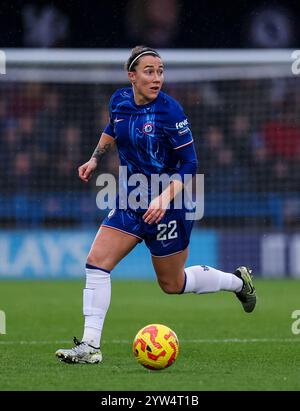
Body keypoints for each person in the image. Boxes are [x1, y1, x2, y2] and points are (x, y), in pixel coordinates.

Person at [55, 46, 256, 364]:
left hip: (170, 206)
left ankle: (237, 282)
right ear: (131, 76)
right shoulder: (119, 100)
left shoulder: (170, 112)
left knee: (172, 284)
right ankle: (90, 346)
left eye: (161, 71)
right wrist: (95, 159)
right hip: (131, 200)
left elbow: (190, 163)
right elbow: (112, 129)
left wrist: (164, 197)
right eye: (149, 71)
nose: (157, 77)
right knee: (96, 263)